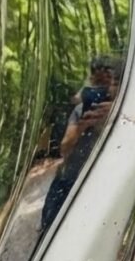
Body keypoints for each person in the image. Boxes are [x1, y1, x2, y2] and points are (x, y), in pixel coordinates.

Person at [40, 56, 118, 231]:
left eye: (109, 82)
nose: (102, 90)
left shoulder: (128, 111)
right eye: (97, 84)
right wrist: (83, 126)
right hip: (77, 174)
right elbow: (64, 150)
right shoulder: (81, 110)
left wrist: (115, 115)